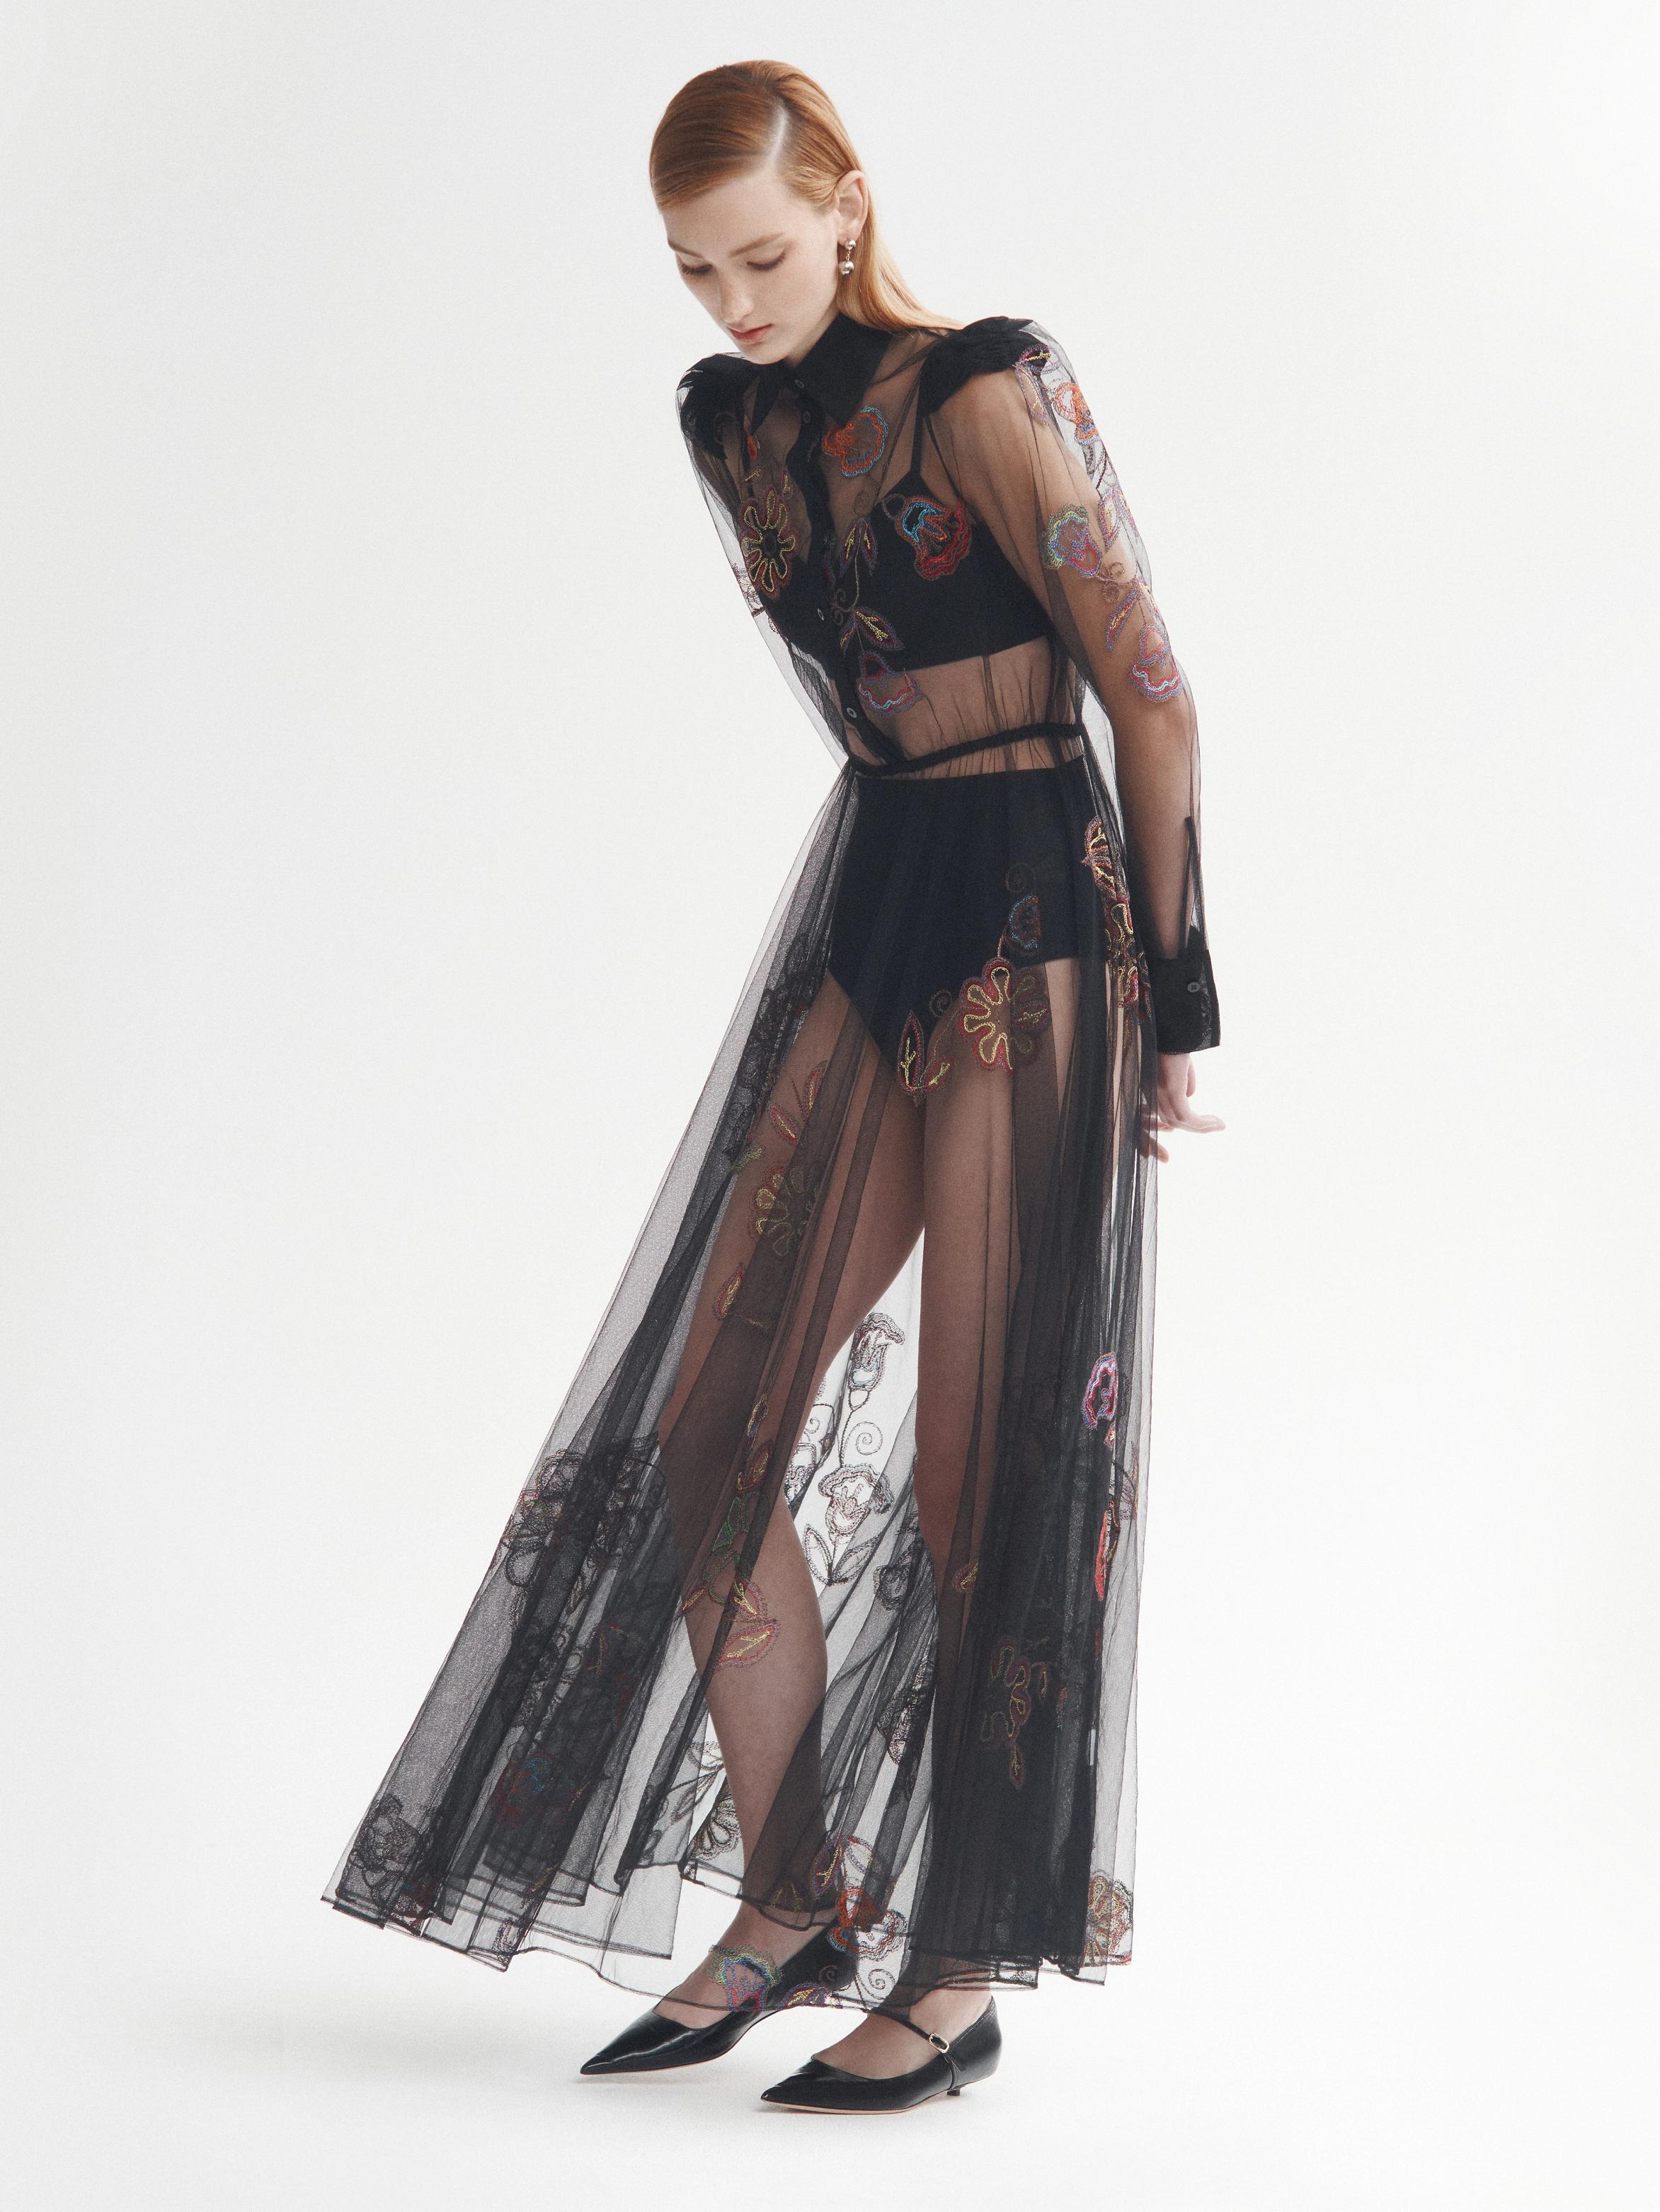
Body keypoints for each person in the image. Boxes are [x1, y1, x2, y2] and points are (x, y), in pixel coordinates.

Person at [323, 57, 1225, 2116]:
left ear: (843, 204)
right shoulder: (725, 423)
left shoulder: (986, 385)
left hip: (1039, 911)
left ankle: (959, 1970)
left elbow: (1158, 698)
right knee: (703, 1425)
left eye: (759, 254)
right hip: (880, 888)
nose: (731, 302)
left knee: (978, 1474)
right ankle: (800, 1893)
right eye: (691, 270)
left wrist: (1177, 1004)